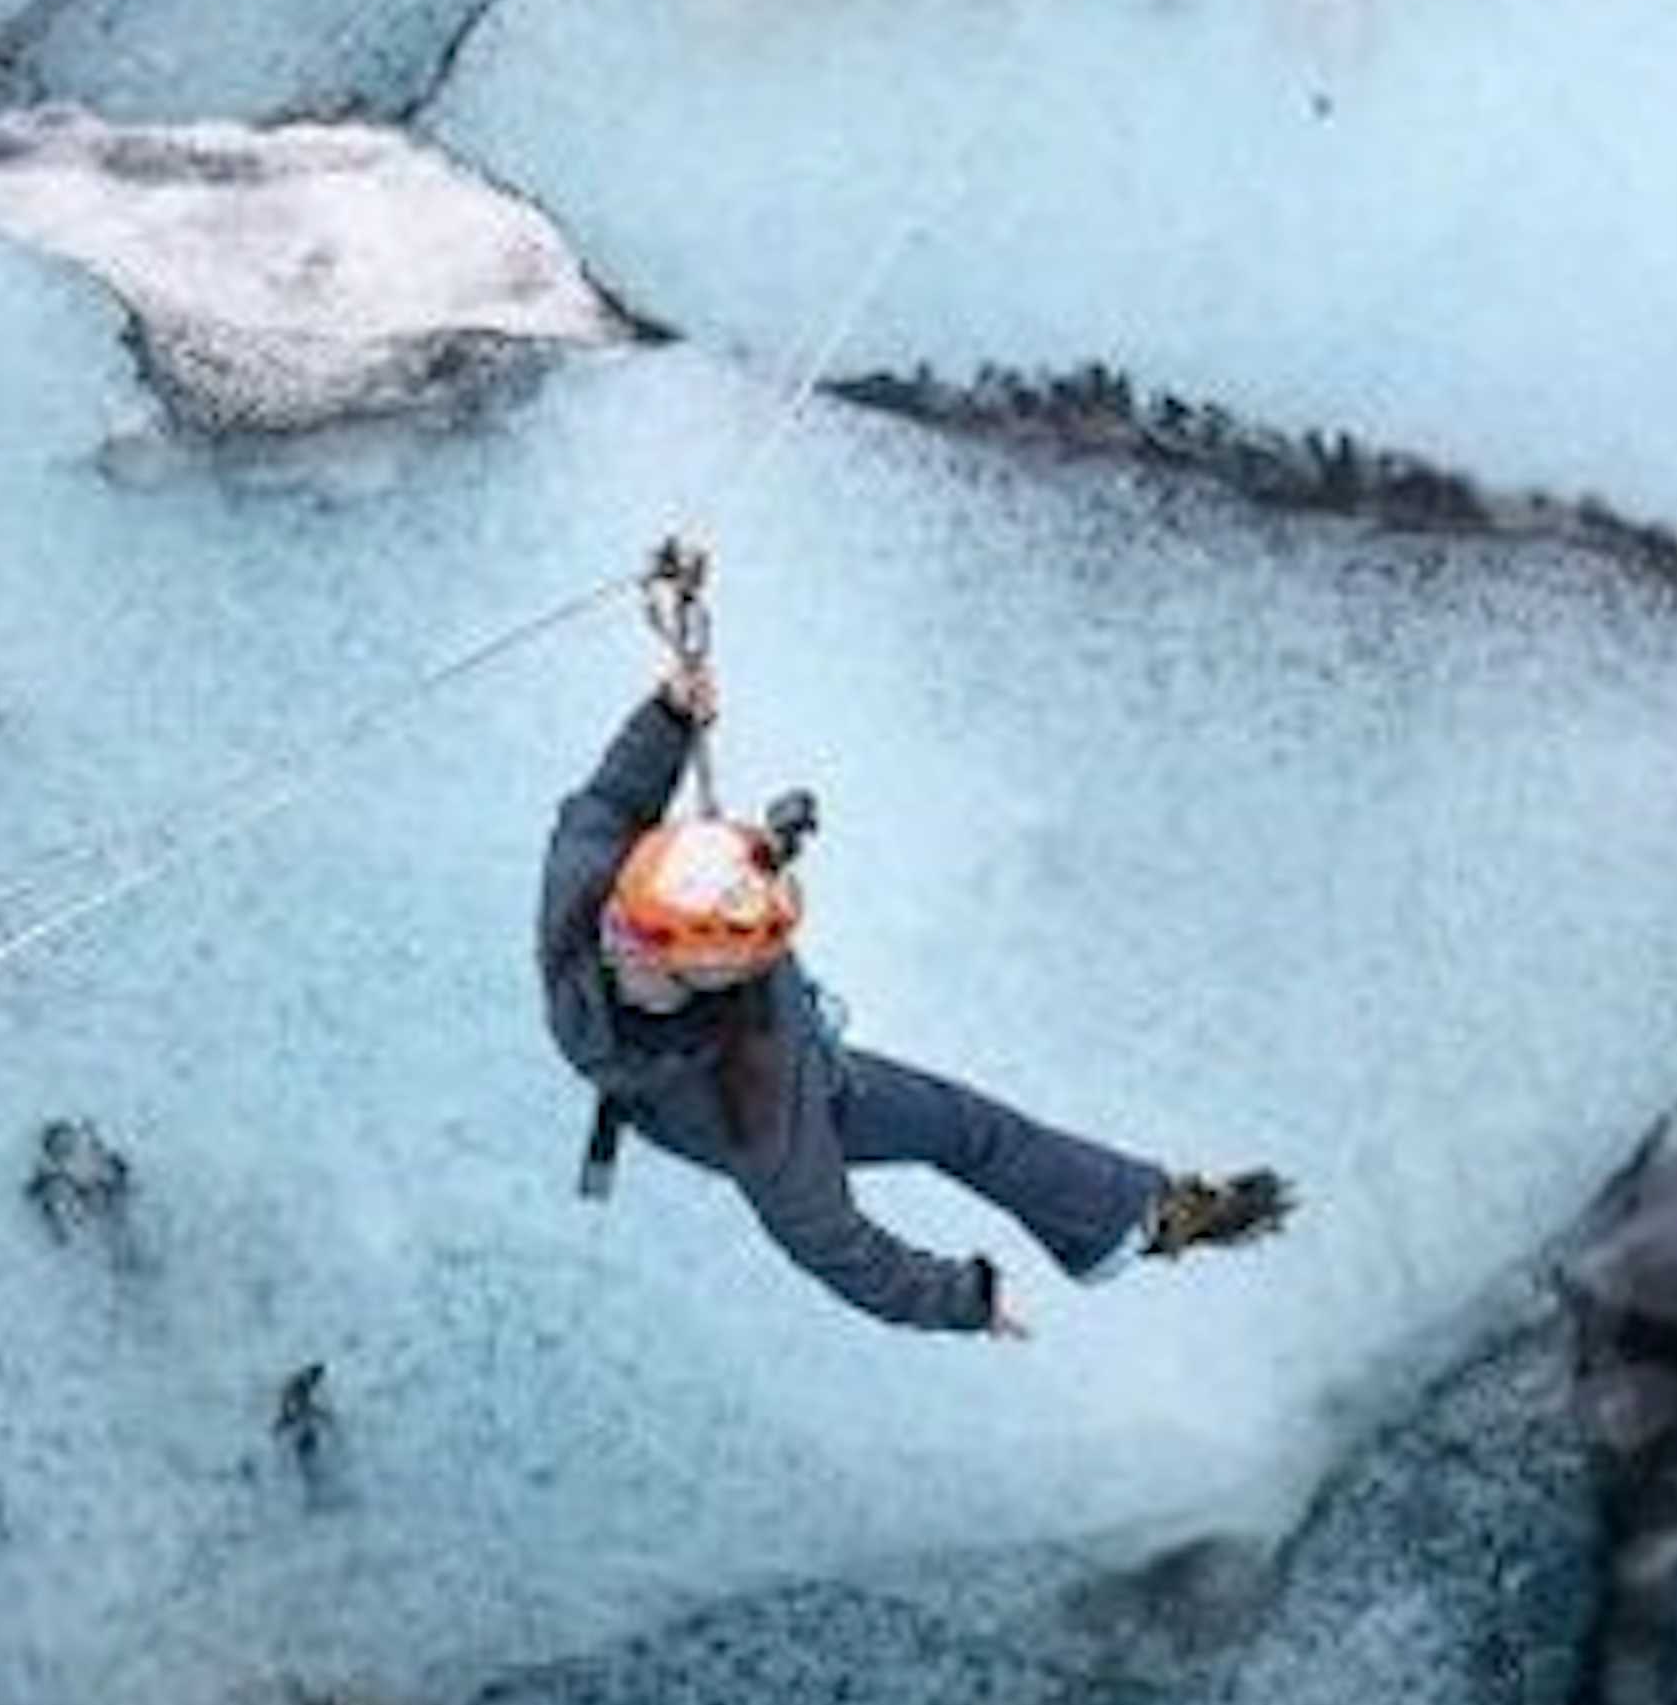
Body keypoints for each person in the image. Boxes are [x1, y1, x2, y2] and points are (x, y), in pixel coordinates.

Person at [537, 543, 1290, 1336]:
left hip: (712, 1059)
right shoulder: (760, 1107)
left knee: (968, 1128)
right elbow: (837, 1245)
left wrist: (668, 716)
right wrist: (964, 1300)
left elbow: (615, 797)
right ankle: (1136, 1217)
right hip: (752, 1087)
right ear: (717, 968)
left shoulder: (586, 882)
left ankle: (1134, 1216)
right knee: (962, 1128)